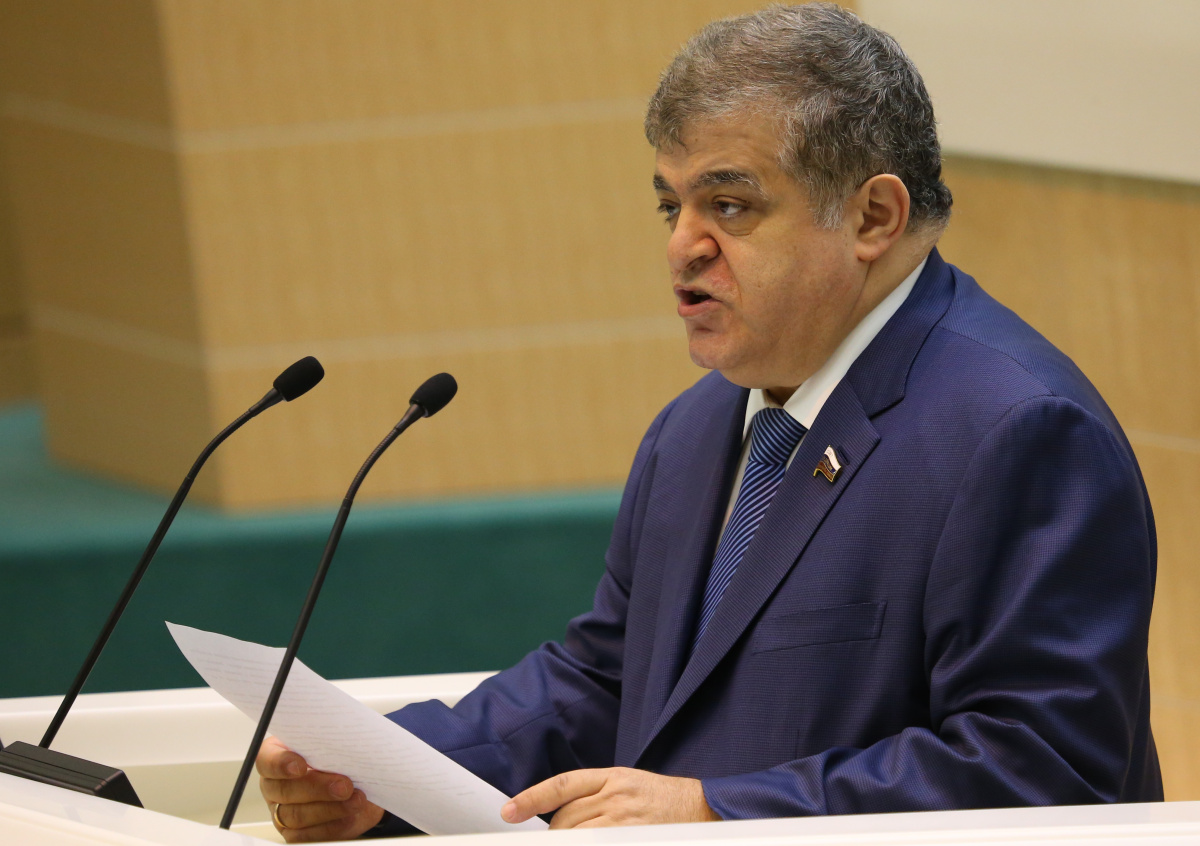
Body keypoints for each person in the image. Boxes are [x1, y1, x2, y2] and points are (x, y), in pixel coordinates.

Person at [257, 5, 1162, 840]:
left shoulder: (1018, 432)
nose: (681, 245)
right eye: (671, 204)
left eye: (729, 206)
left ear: (872, 217)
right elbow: (609, 680)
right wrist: (384, 772)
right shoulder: (695, 431)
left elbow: (1043, 770)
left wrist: (714, 811)